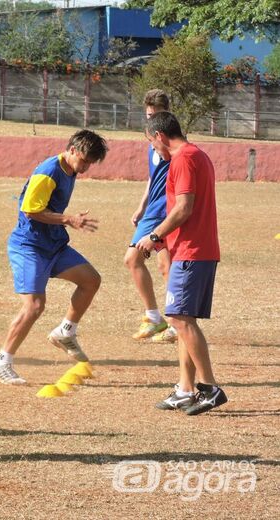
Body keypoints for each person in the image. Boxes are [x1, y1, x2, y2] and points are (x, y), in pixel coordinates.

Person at [0, 129, 108, 385]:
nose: (85, 168)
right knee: (34, 306)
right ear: (72, 150)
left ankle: (65, 332)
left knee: (90, 280)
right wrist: (69, 219)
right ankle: (1, 362)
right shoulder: (48, 172)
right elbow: (30, 211)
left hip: (53, 243)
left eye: (90, 163)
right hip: (29, 246)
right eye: (84, 160)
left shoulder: (71, 169)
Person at [137, 112, 227, 415]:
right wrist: (163, 241)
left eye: (152, 143)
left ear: (160, 136)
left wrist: (154, 235)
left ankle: (210, 389)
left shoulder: (184, 158)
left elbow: (184, 207)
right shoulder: (197, 155)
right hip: (192, 249)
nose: (154, 150)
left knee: (178, 318)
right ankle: (185, 389)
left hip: (193, 251)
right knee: (182, 318)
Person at [124, 89, 177, 343]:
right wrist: (141, 205)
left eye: (155, 115)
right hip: (152, 211)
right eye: (148, 115)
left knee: (143, 261)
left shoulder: (172, 145)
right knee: (151, 263)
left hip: (163, 213)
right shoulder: (151, 145)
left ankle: (169, 319)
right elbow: (152, 178)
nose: (151, 121)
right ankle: (160, 318)